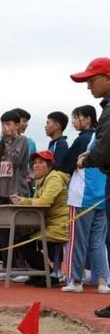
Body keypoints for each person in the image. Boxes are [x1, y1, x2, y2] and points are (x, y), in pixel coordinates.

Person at [71, 57, 110, 317]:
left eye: (91, 80)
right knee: (100, 242)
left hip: (92, 194)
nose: (88, 87)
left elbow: (105, 148)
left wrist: (87, 159)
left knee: (95, 242)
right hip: (100, 192)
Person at [62, 106, 110, 294]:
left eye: (77, 118)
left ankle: (75, 280)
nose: (74, 122)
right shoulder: (103, 138)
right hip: (102, 197)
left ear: (88, 119)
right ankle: (102, 281)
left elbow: (65, 165)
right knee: (98, 242)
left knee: (76, 241)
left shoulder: (84, 139)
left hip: (82, 197)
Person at [10, 151, 69, 287]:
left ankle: (48, 275)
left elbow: (44, 202)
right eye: (35, 163)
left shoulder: (54, 178)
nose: (36, 166)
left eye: (41, 163)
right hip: (47, 224)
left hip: (60, 225)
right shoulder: (41, 180)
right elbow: (37, 200)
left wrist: (24, 201)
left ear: (49, 165)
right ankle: (41, 273)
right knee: (22, 240)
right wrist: (22, 200)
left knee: (24, 243)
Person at [0, 110, 31, 280]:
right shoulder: (3, 142)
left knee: (19, 231)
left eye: (8, 124)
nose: (5, 128)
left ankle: (22, 268)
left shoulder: (23, 140)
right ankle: (8, 266)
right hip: (2, 191)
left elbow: (15, 160)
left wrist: (7, 139)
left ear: (16, 125)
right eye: (3, 124)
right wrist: (3, 141)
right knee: (4, 233)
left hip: (17, 191)